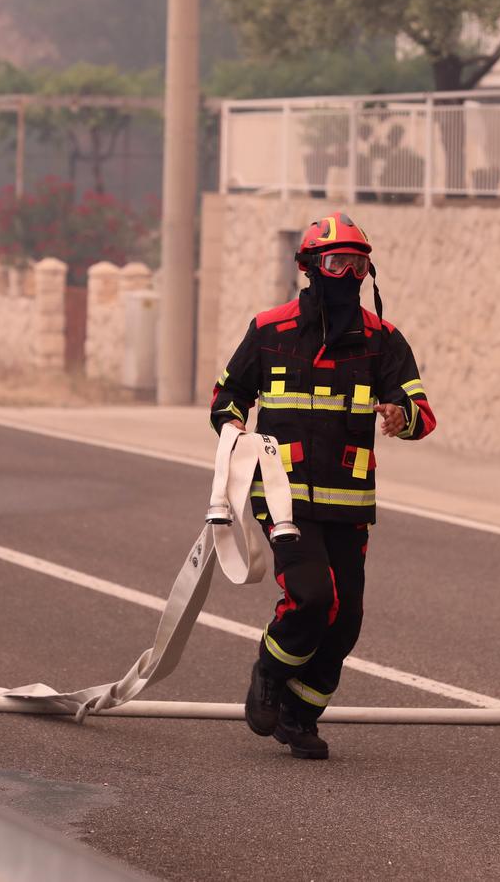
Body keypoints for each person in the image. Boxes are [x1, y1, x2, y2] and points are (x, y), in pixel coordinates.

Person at [209, 211, 436, 760]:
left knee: (346, 621)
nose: (348, 275)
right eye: (337, 262)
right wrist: (235, 432)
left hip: (348, 504)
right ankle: (268, 672)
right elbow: (226, 398)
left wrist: (400, 415)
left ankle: (300, 714)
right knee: (312, 598)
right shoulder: (270, 331)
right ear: (310, 266)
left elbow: (422, 413)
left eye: (358, 264)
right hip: (282, 496)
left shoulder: (383, 341)